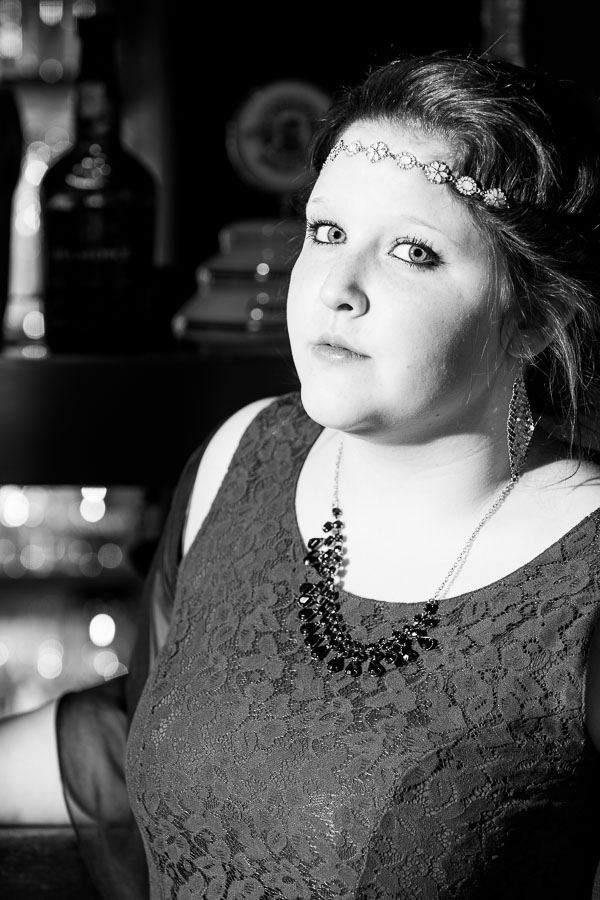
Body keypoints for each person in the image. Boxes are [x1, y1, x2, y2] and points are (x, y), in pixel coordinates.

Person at [3, 49, 600, 900]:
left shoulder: (586, 574)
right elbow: (147, 724)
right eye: (327, 233)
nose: (336, 288)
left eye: (413, 251)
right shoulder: (244, 452)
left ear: (533, 316)